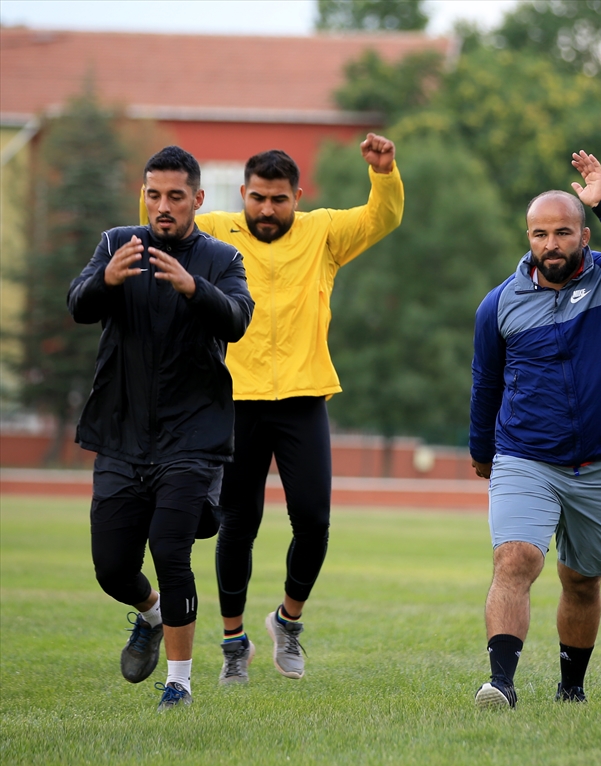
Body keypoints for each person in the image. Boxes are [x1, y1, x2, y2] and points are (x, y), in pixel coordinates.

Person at [197, 135, 403, 684]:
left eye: (279, 199)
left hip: (303, 397)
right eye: (259, 198)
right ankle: (233, 642)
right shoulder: (216, 230)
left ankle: (288, 622)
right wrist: (176, 201)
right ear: (243, 193)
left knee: (313, 521)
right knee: (237, 524)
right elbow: (160, 224)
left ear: (298, 197)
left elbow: (382, 218)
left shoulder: (323, 233)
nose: (267, 210)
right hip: (236, 401)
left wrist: (383, 174)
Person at [469, 151, 601, 709]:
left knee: (581, 581)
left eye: (563, 232)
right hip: (524, 456)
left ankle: (571, 689)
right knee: (515, 560)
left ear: (583, 235)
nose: (551, 244)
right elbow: (485, 383)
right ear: (528, 238)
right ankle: (500, 684)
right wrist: (481, 449)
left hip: (598, 464)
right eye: (540, 234)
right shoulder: (498, 305)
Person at [69, 146, 253, 711]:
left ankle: (179, 683)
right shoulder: (114, 244)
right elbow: (78, 304)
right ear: (143, 195)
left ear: (198, 199)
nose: (164, 206)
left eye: (176, 196)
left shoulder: (222, 257)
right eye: (154, 194)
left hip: (191, 437)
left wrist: (194, 289)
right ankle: (149, 614)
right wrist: (106, 278)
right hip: (122, 434)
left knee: (171, 550)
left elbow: (239, 319)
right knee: (112, 567)